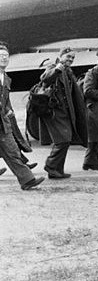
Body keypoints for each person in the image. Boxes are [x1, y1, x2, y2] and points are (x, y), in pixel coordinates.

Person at [35, 46, 88, 179]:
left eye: (72, 58)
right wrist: (57, 69)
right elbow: (45, 78)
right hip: (54, 111)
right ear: (61, 56)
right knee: (63, 140)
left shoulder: (68, 71)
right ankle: (51, 165)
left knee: (66, 139)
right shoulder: (54, 67)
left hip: (65, 111)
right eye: (68, 57)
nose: (70, 59)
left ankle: (57, 170)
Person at [0, 43, 44, 190]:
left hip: (3, 123)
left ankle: (27, 180)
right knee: (10, 151)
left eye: (6, 56)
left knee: (12, 151)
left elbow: (4, 100)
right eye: (0, 56)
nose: (4, 59)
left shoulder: (6, 78)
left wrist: (7, 110)